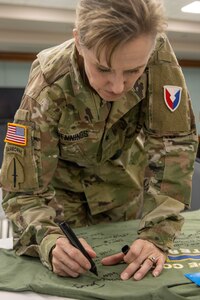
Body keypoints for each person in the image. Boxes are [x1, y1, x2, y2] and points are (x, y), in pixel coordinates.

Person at [0, 0, 198, 282]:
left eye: (133, 71)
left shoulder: (158, 58)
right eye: (104, 69)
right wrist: (50, 241)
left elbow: (175, 148)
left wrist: (157, 235)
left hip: (124, 192)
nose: (118, 86)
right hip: (60, 205)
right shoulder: (48, 83)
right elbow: (22, 191)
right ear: (79, 41)